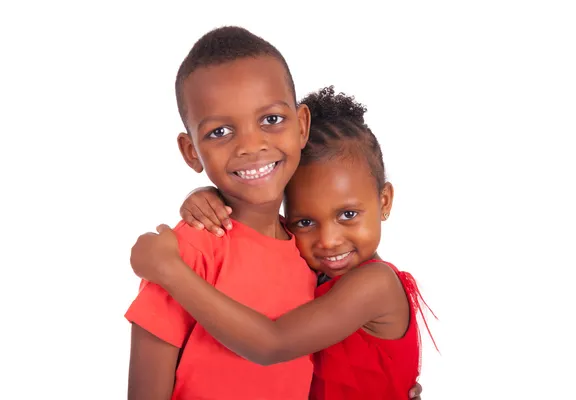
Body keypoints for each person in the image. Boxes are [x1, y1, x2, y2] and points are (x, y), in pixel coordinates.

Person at [131, 87, 434, 399]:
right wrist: (211, 197)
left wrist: (170, 271)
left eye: (348, 214)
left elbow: (272, 343)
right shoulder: (310, 271)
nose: (328, 241)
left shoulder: (375, 284)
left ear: (384, 201)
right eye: (305, 222)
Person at [125, 26, 317, 400]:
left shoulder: (311, 249)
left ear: (302, 126)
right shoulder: (185, 252)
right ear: (191, 151)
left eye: (271, 120)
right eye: (220, 131)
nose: (251, 145)